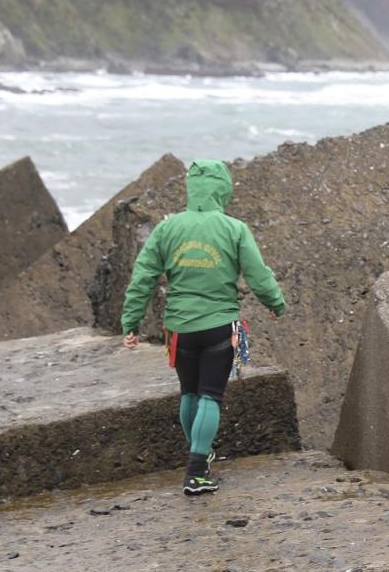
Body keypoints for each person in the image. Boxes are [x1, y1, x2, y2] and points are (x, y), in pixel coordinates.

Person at [121, 159, 286, 496]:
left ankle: (199, 454)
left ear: (191, 188)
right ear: (223, 189)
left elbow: (143, 276)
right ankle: (196, 472)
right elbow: (258, 274)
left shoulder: (167, 229)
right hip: (219, 325)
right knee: (211, 395)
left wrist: (131, 321)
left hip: (178, 330)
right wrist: (275, 304)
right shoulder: (234, 228)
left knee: (190, 392)